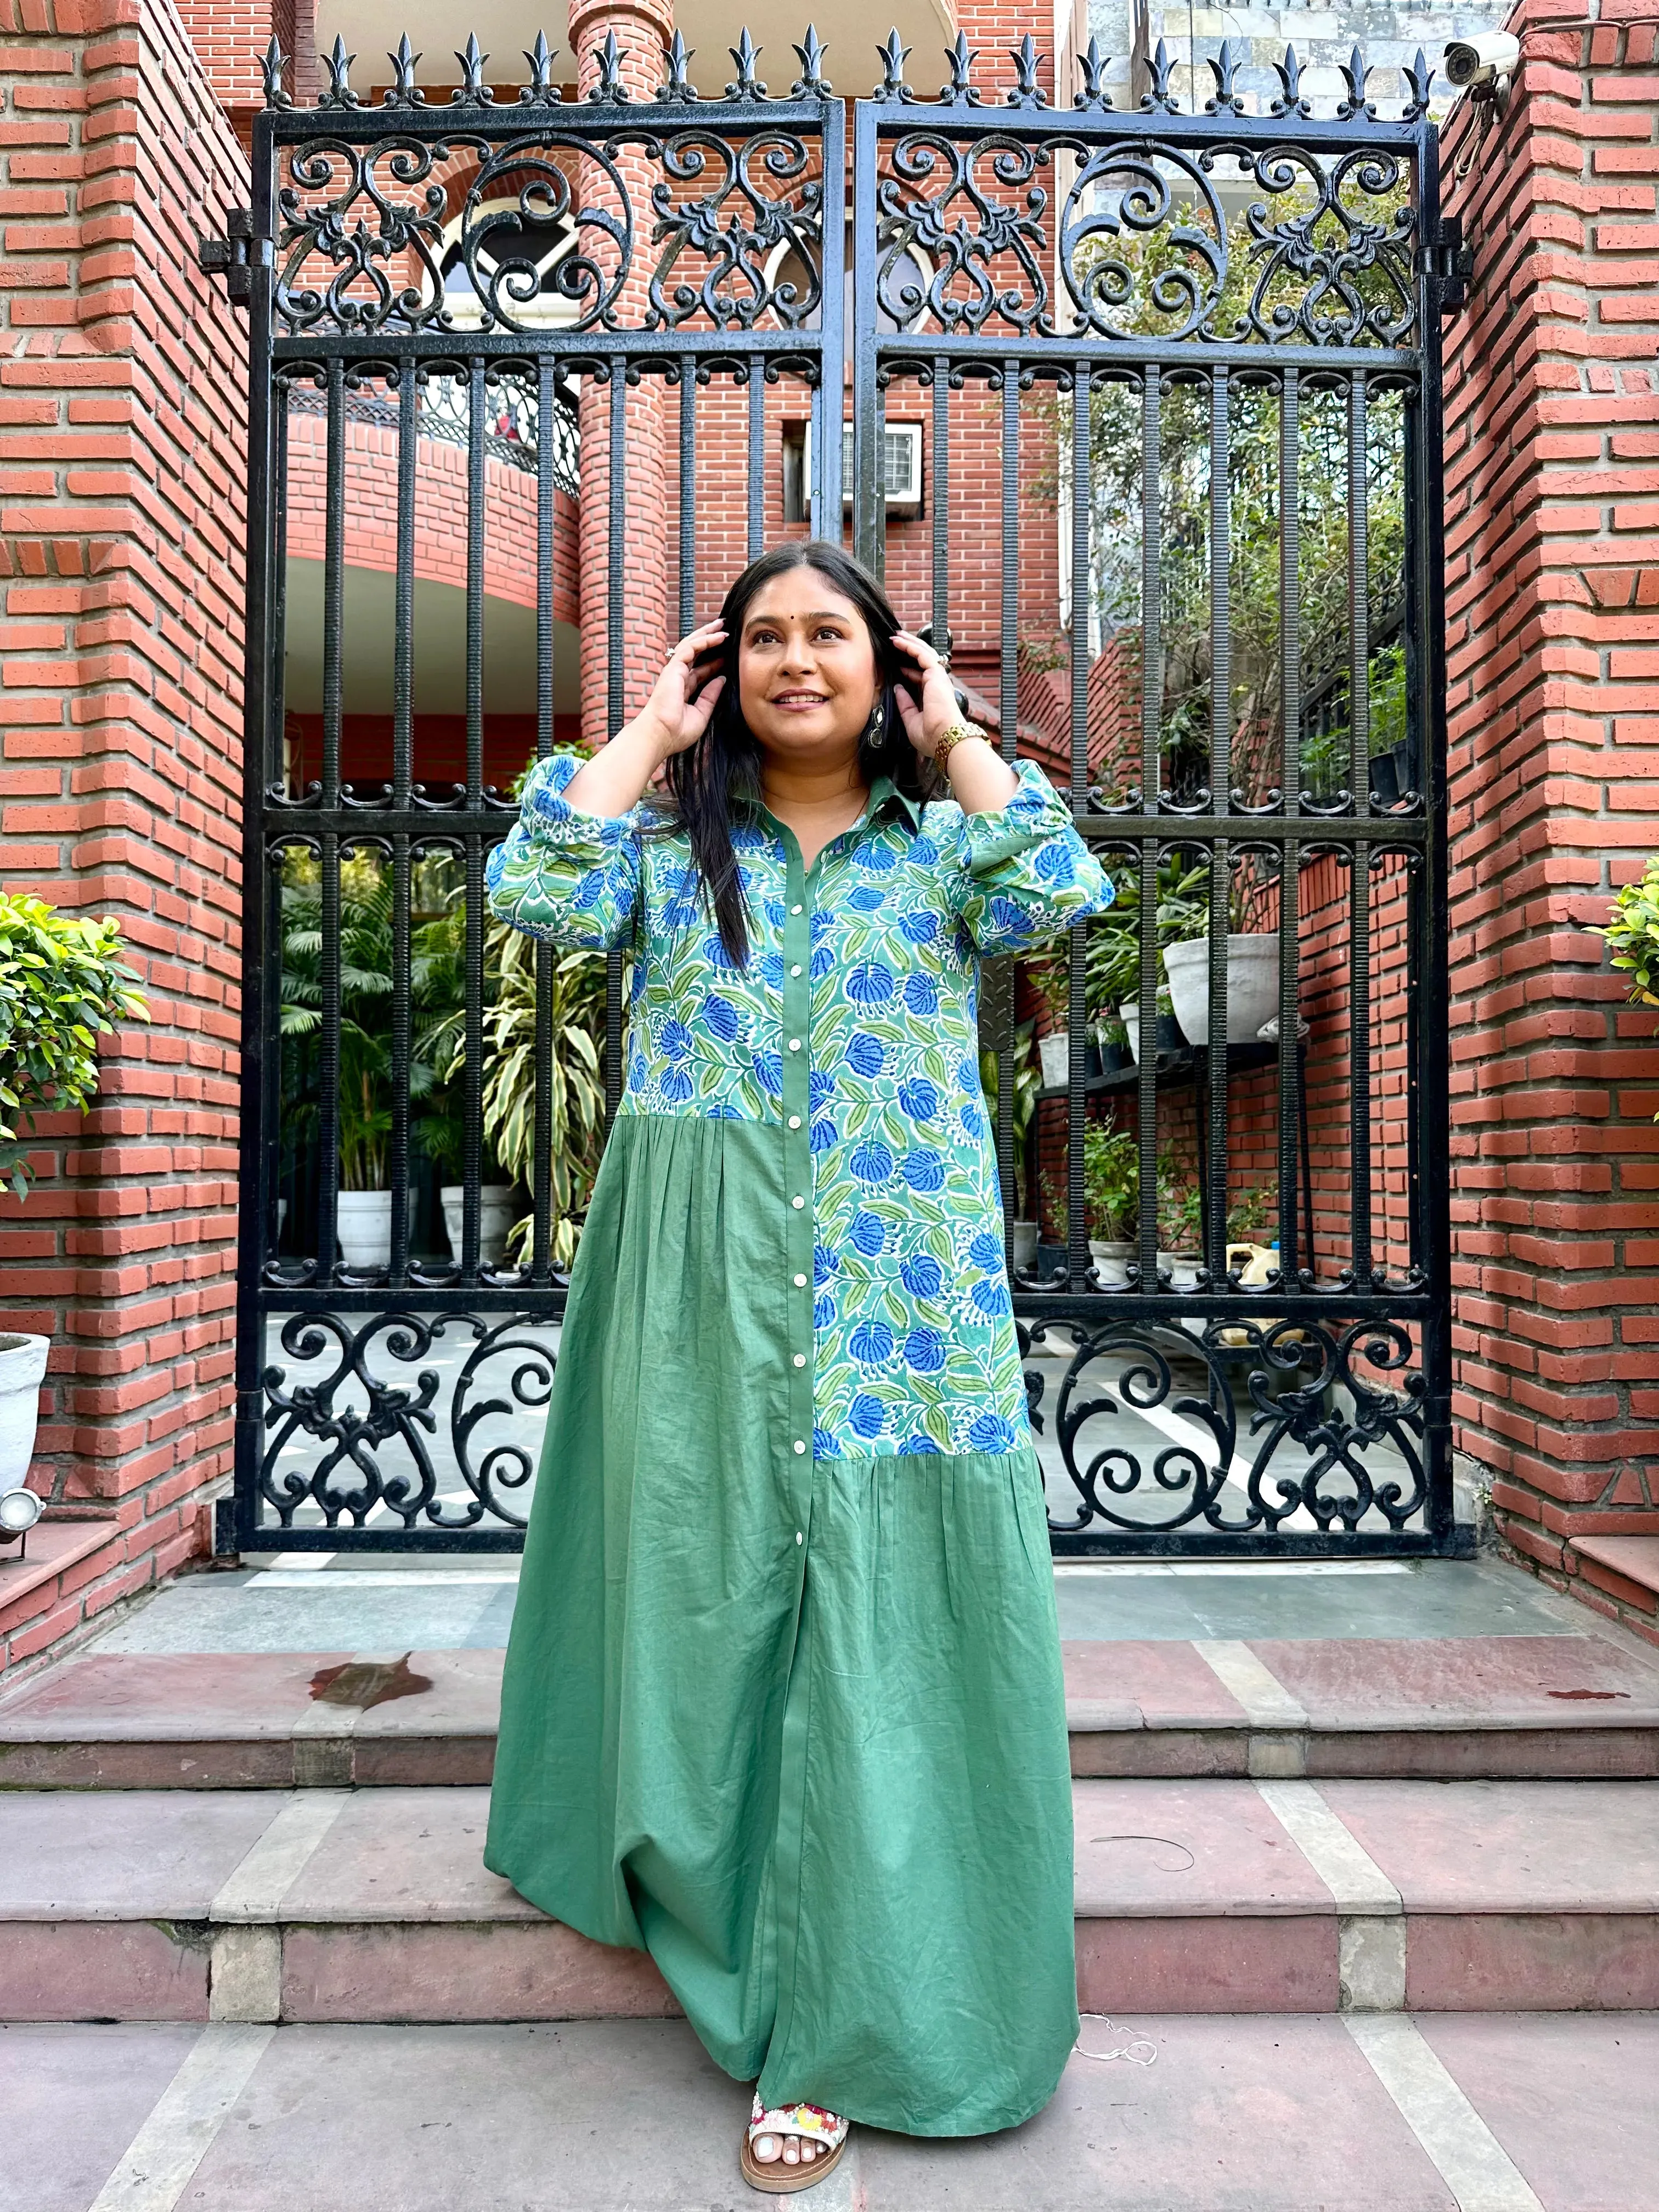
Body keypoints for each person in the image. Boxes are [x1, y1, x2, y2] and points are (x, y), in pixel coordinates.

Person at [483, 540, 1112, 2192]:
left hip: (905, 1290)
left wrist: (961, 732)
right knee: (714, 1594)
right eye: (761, 639)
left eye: (830, 634)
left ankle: (844, 2020)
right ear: (724, 670)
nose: (794, 661)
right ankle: (720, 1908)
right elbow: (534, 888)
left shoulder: (943, 847)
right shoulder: (680, 847)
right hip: (705, 1286)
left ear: (886, 663)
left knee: (879, 1635)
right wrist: (646, 732)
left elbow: (1064, 893)